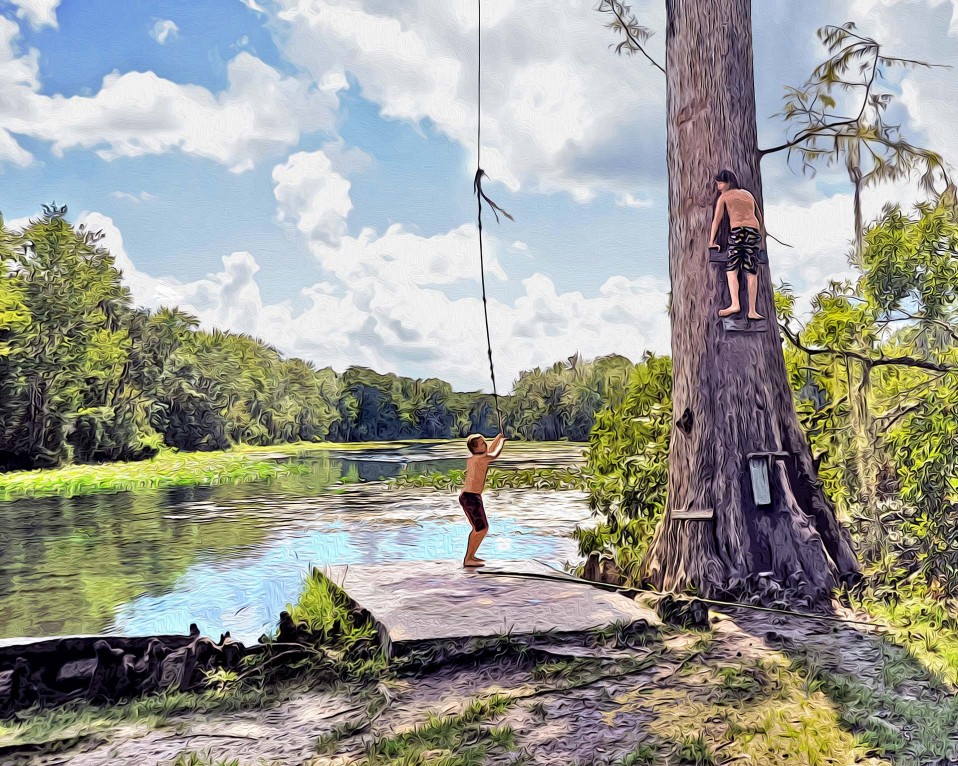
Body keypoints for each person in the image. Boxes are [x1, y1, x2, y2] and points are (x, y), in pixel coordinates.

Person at [708, 169, 766, 320]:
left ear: (728, 183)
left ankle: (735, 304)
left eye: (720, 183)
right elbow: (759, 217)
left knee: (732, 268)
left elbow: (717, 220)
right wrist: (758, 235)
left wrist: (711, 241)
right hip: (753, 232)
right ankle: (752, 310)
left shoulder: (724, 197)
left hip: (738, 231)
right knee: (751, 271)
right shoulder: (747, 194)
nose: (718, 186)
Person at [459, 432, 505, 568]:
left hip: (471, 497)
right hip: (471, 497)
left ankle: (470, 556)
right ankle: (468, 558)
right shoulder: (480, 459)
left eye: (485, 442)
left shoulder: (476, 457)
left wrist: (497, 438)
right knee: (481, 528)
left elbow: (490, 451)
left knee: (479, 528)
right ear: (475, 449)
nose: (485, 444)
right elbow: (495, 454)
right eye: (482, 443)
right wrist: (502, 442)